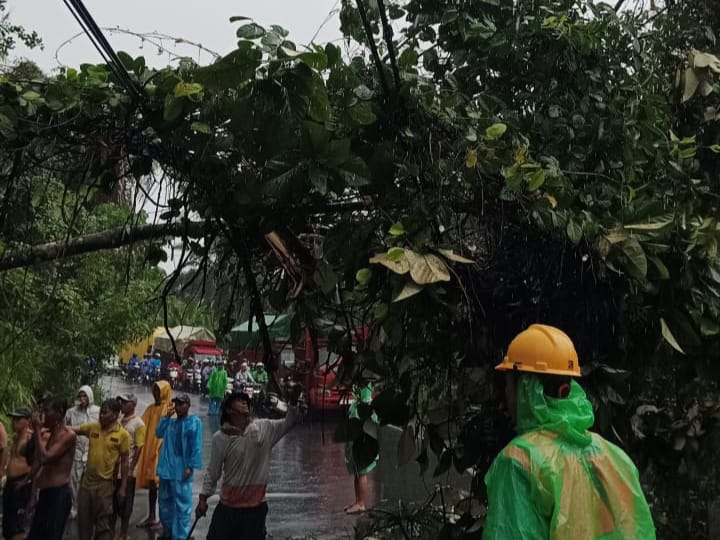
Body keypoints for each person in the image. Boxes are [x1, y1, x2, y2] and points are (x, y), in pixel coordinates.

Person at [483, 324, 656, 539]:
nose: (506, 393)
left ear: (527, 387)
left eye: (508, 383)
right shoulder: (614, 457)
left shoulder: (519, 461)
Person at [196, 387, 302, 540]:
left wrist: (292, 402)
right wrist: (203, 498)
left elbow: (291, 421)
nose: (244, 401)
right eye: (238, 400)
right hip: (228, 509)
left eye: (245, 400)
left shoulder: (264, 428)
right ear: (229, 411)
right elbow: (213, 473)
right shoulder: (220, 438)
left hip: (255, 509)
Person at [27, 395, 77, 540]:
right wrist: (29, 484)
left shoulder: (68, 435)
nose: (43, 416)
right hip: (45, 492)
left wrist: (37, 430)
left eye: (46, 411)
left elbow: (45, 458)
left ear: (59, 412)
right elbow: (38, 462)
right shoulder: (51, 433)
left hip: (58, 495)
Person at [156, 394, 203, 540]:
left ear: (188, 406)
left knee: (182, 505)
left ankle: (181, 536)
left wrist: (191, 466)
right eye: (176, 404)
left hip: (181, 470)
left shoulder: (194, 423)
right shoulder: (171, 423)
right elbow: (158, 433)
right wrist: (166, 416)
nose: (178, 407)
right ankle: (168, 530)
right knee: (164, 502)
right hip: (166, 470)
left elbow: (196, 446)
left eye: (181, 404)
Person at [136, 381, 172, 530]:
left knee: (162, 485)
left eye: (159, 391)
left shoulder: (170, 409)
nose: (156, 394)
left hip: (163, 451)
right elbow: (141, 425)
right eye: (155, 391)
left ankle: (164, 520)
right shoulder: (151, 408)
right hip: (150, 449)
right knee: (152, 483)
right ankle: (152, 516)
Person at [112, 394, 146, 540]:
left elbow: (139, 447)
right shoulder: (118, 420)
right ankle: (111, 532)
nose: (122, 405)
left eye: (125, 402)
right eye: (122, 402)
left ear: (133, 404)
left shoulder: (139, 424)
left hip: (127, 471)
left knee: (126, 503)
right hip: (114, 470)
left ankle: (123, 534)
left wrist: (131, 468)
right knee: (113, 503)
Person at [65, 385, 100, 519]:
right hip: (76, 451)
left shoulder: (98, 411)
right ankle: (74, 508)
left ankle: (90, 509)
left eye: (85, 395)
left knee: (91, 483)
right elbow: (65, 428)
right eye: (80, 395)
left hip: (92, 452)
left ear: (90, 396)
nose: (82, 398)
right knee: (74, 482)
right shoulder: (71, 412)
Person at [344, 382, 378, 514]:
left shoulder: (366, 381)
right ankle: (357, 501)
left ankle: (361, 502)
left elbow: (365, 403)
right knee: (357, 469)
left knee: (362, 469)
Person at [2, 408, 33, 540]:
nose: (14, 422)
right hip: (10, 484)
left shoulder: (30, 438)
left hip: (21, 484)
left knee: (19, 527)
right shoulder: (16, 437)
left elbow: (37, 464)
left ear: (27, 421)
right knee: (8, 526)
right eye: (13, 418)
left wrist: (27, 481)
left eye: (18, 419)